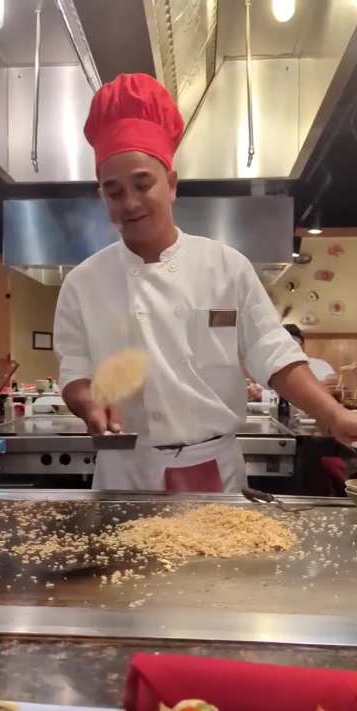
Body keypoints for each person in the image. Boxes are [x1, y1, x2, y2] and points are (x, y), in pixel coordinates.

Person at [54, 72, 357, 492]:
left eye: (143, 184)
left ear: (172, 184)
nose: (130, 203)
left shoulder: (225, 267)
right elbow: (74, 370)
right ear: (102, 195)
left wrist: (333, 415)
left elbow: (272, 352)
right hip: (125, 471)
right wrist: (86, 401)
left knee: (215, 562)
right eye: (114, 191)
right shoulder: (82, 283)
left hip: (210, 469)